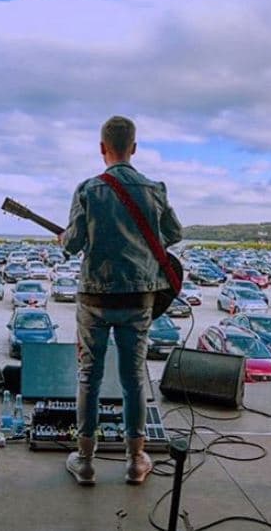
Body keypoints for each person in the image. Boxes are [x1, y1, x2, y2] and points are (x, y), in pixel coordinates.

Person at [60, 116, 182, 486]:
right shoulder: (154, 189)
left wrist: (64, 239)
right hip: (138, 298)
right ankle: (135, 461)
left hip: (95, 296)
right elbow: (174, 234)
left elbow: (74, 243)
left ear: (102, 149)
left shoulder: (88, 189)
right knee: (133, 378)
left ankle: (84, 462)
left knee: (89, 377)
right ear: (134, 147)